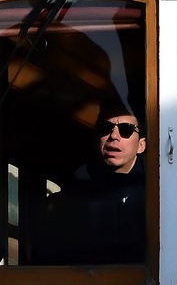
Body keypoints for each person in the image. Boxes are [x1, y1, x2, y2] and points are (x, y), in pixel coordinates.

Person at [43, 110, 147, 264]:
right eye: (106, 128)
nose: (114, 136)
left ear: (141, 145)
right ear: (96, 139)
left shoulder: (157, 193)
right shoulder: (72, 195)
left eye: (126, 130)